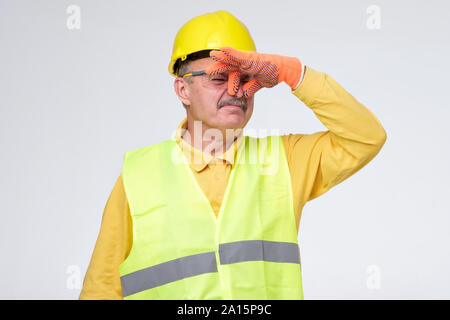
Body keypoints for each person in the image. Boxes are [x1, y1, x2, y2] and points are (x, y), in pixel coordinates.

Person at [79, 10, 387, 300]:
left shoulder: (285, 160)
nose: (236, 89)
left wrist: (294, 74)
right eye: (218, 78)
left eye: (243, 78)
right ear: (183, 90)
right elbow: (101, 287)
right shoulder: (139, 175)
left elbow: (366, 138)